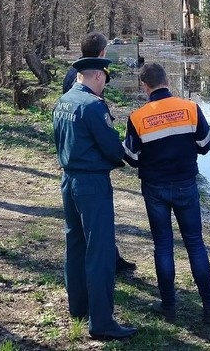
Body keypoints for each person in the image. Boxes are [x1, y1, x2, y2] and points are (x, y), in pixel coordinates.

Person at [123, 62, 210, 324]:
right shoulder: (190, 108)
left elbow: (132, 158)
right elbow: (205, 145)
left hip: (155, 188)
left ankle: (168, 306)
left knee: (163, 246)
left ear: (145, 87)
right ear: (167, 81)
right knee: (195, 244)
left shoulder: (137, 118)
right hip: (185, 184)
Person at [53, 57, 136, 341]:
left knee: (74, 244)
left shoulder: (63, 101)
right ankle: (101, 322)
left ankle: (78, 308)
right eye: (104, 81)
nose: (103, 88)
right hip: (92, 184)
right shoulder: (92, 106)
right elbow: (113, 149)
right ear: (98, 77)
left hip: (69, 179)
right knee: (99, 251)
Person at [62, 32, 137, 274]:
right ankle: (105, 268)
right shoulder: (88, 78)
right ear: (103, 52)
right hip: (89, 164)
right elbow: (91, 116)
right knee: (94, 225)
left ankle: (111, 259)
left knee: (84, 226)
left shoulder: (73, 73)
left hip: (75, 158)